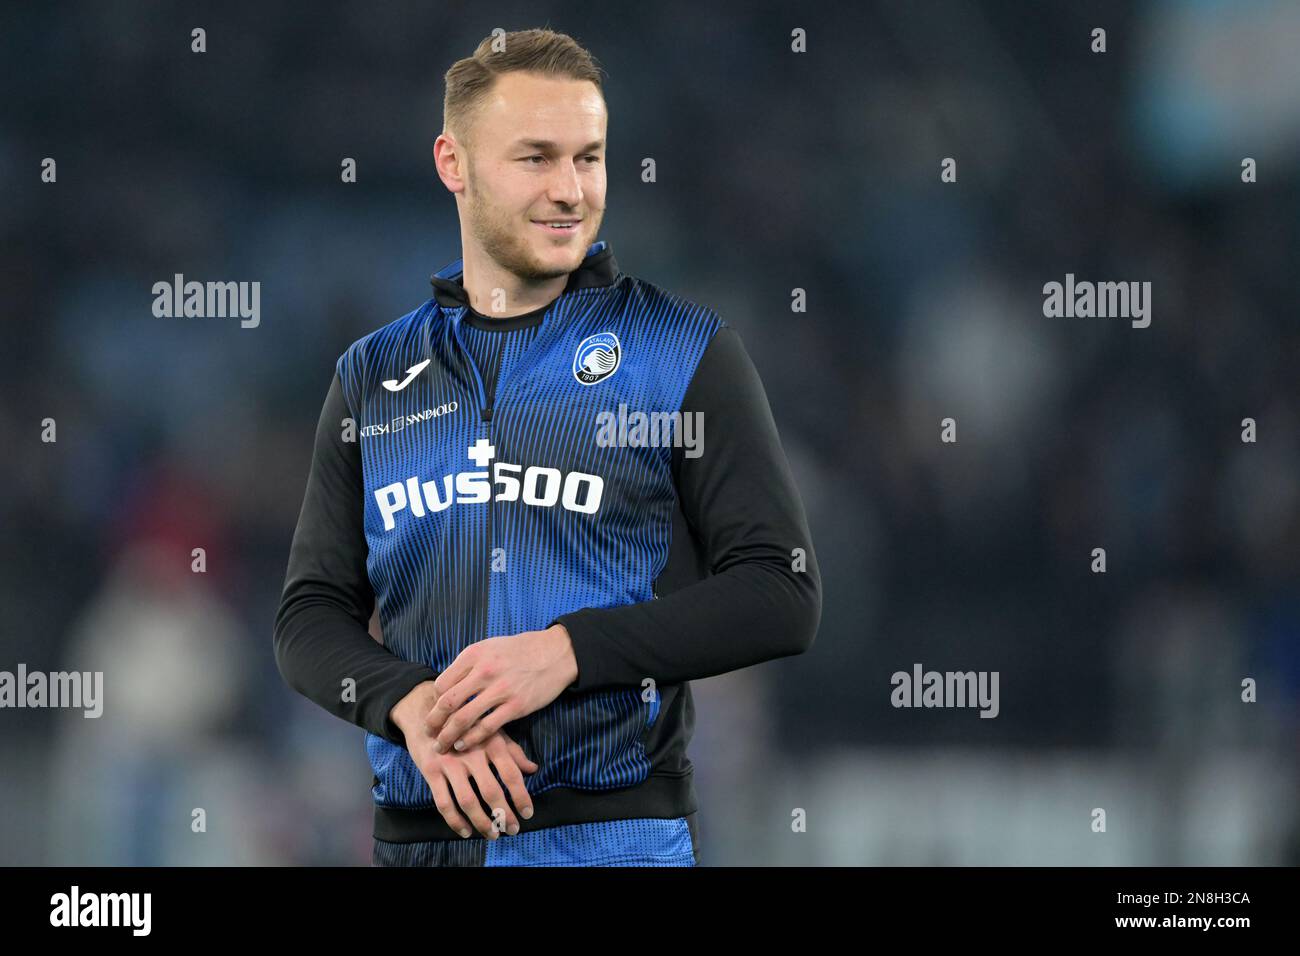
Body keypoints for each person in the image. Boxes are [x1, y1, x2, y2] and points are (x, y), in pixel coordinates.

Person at [273, 27, 821, 867]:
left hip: (611, 839)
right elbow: (309, 616)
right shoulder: (373, 375)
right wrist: (409, 704)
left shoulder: (679, 352)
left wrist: (567, 652)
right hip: (417, 845)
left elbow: (782, 592)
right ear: (453, 164)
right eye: (536, 158)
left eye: (589, 158)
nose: (570, 190)